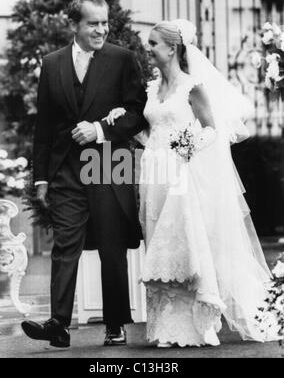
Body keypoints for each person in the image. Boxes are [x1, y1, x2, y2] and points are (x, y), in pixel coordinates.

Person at [107, 19, 278, 348]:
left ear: (172, 48)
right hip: (154, 177)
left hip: (182, 177)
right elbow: (149, 131)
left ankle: (198, 324)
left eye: (154, 43)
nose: (148, 48)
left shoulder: (193, 85)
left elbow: (212, 129)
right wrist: (119, 115)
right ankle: (166, 326)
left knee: (188, 246)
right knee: (160, 245)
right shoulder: (152, 88)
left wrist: (188, 149)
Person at [21, 0, 147, 348]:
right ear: (74, 25)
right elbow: (43, 125)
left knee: (112, 244)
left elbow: (138, 112)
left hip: (110, 161)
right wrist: (42, 177)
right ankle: (58, 323)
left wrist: (101, 130)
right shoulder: (53, 63)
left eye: (104, 22)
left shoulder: (123, 60)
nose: (102, 29)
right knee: (65, 245)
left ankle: (115, 324)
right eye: (93, 23)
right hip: (65, 170)